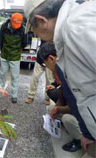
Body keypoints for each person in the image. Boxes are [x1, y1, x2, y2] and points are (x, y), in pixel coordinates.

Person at [24, 0, 96, 156]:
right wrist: (88, 132)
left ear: (42, 21)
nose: (37, 36)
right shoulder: (68, 32)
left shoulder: (77, 27)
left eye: (35, 31)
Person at [40, 42, 82, 152]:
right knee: (50, 110)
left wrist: (58, 108)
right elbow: (63, 94)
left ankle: (80, 140)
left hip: (85, 114)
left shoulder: (69, 73)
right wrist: (56, 107)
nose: (47, 67)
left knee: (67, 119)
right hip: (77, 108)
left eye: (45, 63)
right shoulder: (63, 67)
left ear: (51, 58)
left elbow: (75, 107)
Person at [0, 13, 27, 104]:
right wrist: (3, 50)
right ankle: (0, 92)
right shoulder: (4, 27)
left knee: (15, 77)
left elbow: (24, 43)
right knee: (2, 74)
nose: (16, 27)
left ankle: (14, 95)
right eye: (14, 24)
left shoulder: (22, 29)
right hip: (4, 55)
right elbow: (1, 40)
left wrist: (18, 50)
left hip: (15, 56)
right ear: (11, 20)